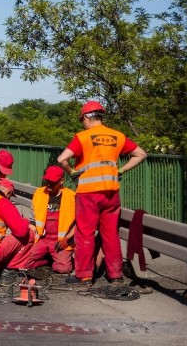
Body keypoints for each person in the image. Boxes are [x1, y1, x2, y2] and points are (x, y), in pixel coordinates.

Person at [57, 100, 147, 285]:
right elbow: (141, 154)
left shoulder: (83, 137)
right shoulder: (117, 136)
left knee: (84, 233)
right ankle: (115, 276)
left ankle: (84, 275)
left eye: (82, 120)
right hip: (111, 193)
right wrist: (120, 171)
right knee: (111, 234)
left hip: (88, 193)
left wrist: (72, 173)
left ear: (86, 118)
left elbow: (62, 159)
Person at [25, 165, 75, 275]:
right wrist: (30, 239)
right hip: (42, 239)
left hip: (60, 242)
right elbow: (32, 221)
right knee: (24, 262)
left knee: (63, 268)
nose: (48, 184)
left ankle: (55, 258)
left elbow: (80, 223)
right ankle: (47, 260)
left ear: (62, 181)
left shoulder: (71, 196)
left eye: (52, 182)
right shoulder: (39, 193)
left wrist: (67, 240)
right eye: (47, 180)